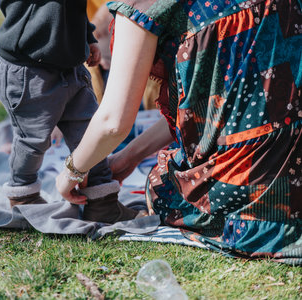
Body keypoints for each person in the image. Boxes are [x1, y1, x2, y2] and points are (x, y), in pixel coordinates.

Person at [56, 0, 302, 263]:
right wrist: (130, 157)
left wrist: (72, 170)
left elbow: (112, 122)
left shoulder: (140, 5)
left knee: (162, 185)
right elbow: (214, 107)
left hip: (257, 200)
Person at [0, 0, 145, 223]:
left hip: (71, 68)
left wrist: (87, 37)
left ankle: (103, 202)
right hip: (29, 69)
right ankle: (24, 198)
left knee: (91, 134)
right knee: (33, 140)